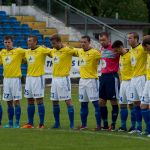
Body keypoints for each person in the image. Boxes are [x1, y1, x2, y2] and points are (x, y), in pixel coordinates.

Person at [21, 35, 51, 129]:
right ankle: (30, 123)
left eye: (30, 41)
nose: (28, 42)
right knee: (29, 100)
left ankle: (41, 124)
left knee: (39, 100)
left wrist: (47, 49)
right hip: (29, 78)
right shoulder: (27, 51)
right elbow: (25, 61)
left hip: (38, 78)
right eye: (27, 41)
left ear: (35, 42)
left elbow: (52, 53)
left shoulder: (42, 49)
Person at [73, 35, 101, 130]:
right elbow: (69, 50)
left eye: (84, 42)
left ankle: (98, 125)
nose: (82, 44)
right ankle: (84, 125)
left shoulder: (95, 52)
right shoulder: (79, 51)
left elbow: (104, 56)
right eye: (81, 42)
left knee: (95, 103)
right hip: (82, 81)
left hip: (92, 80)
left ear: (89, 43)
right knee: (83, 103)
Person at [49, 34, 74, 129]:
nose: (53, 45)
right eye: (52, 44)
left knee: (68, 101)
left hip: (64, 79)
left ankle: (71, 124)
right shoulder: (53, 51)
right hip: (54, 79)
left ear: (60, 42)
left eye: (54, 43)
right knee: (54, 101)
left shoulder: (68, 50)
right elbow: (47, 51)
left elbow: (78, 52)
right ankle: (57, 123)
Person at [0, 35, 25, 128]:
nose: (7, 44)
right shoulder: (2, 52)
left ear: (12, 42)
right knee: (8, 101)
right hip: (6, 79)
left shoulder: (18, 51)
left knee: (16, 101)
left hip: (15, 79)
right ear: (3, 43)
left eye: (9, 42)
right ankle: (10, 122)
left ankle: (17, 122)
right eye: (5, 42)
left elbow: (30, 52)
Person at [112, 40, 136, 132]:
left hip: (130, 82)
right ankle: (123, 126)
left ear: (120, 47)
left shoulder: (130, 55)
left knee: (131, 105)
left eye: (116, 50)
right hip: (123, 83)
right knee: (122, 104)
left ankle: (134, 126)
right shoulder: (121, 56)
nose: (115, 52)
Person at [99, 32, 120, 131]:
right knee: (102, 101)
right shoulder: (101, 49)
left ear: (109, 39)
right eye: (100, 40)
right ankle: (106, 124)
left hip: (112, 76)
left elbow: (124, 52)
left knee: (113, 101)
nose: (101, 42)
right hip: (103, 76)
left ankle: (113, 124)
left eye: (103, 40)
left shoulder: (115, 48)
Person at [128, 32, 147, 134]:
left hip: (141, 78)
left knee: (144, 103)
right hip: (133, 78)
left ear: (136, 39)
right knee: (135, 103)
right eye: (128, 38)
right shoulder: (131, 50)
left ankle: (147, 127)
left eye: (130, 38)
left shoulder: (142, 48)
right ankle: (138, 127)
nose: (128, 40)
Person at [140, 37, 150, 137]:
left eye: (145, 48)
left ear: (147, 46)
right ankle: (148, 128)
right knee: (143, 105)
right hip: (148, 81)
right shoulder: (148, 54)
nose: (144, 51)